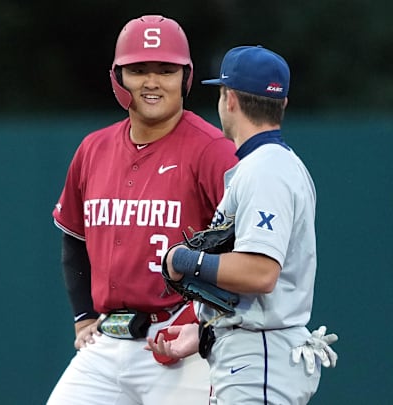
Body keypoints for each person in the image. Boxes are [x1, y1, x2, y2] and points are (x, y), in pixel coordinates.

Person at [46, 15, 238, 405]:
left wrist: (202, 324)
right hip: (108, 338)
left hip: (180, 340)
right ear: (118, 77)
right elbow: (73, 239)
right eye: (138, 70)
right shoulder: (93, 149)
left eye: (166, 70)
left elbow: (248, 247)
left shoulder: (213, 150)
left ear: (186, 77)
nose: (152, 82)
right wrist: (83, 315)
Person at [145, 45, 337, 404]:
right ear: (282, 105)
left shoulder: (267, 169)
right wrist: (203, 331)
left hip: (260, 358)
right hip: (250, 355)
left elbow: (261, 273)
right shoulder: (266, 166)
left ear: (229, 99)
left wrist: (187, 261)